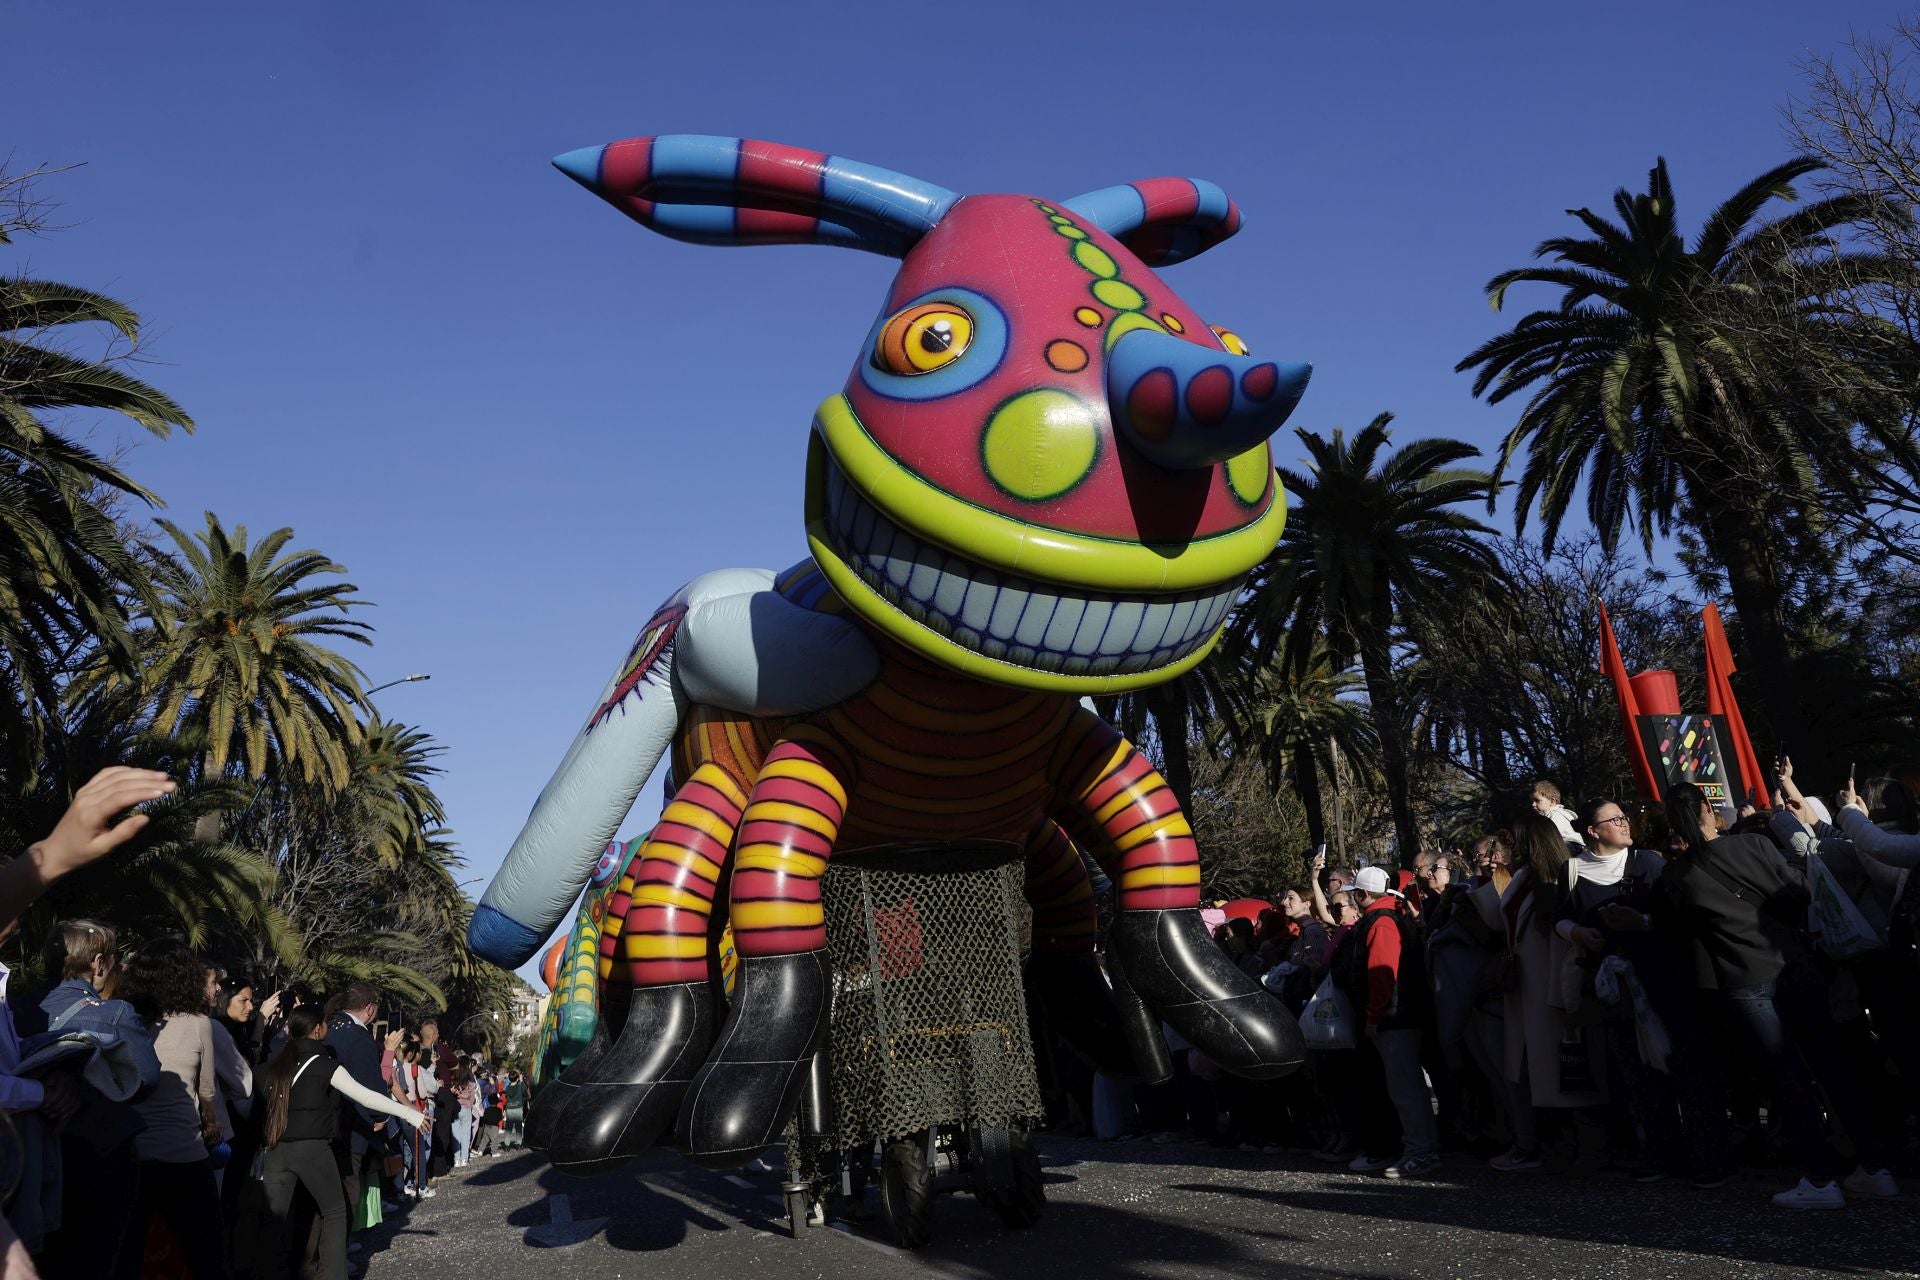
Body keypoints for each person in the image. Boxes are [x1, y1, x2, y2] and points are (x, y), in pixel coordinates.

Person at [1652, 782, 1897, 1208]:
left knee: (1789, 1078)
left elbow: (1681, 933)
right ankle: (1875, 1168)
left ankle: (1820, 1179)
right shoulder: (1754, 844)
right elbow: (1799, 890)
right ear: (1708, 807)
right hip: (1795, 962)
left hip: (1745, 977)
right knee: (1832, 1068)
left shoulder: (1677, 876)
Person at [1560, 798, 1734, 1187]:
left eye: (1625, 817)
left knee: (1686, 1067)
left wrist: (1642, 921)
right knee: (1637, 1074)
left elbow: (1678, 916)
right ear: (1593, 831)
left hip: (1664, 981)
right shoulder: (1572, 870)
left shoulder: (1648, 864)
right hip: (1616, 989)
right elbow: (1560, 916)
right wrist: (1577, 932)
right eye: (1615, 819)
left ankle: (1710, 1157)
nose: (1625, 823)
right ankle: (1661, 1153)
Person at [31, 919, 161, 1279]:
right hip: (98, 1154)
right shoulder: (115, 1013)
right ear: (99, 962)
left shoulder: (20, 1009)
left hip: (33, 1150)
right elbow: (146, 1079)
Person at [258, 1009, 429, 1280]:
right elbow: (366, 1097)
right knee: (335, 1212)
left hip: (276, 1151)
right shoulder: (325, 1064)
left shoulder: (276, 1063)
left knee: (275, 1221)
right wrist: (411, 1114)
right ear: (317, 1029)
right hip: (313, 1150)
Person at [119, 942, 230, 1279]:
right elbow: (206, 1091)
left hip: (135, 1152)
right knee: (205, 1253)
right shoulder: (198, 1023)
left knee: (132, 1254)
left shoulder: (123, 1020)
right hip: (184, 1151)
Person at [1331, 867, 1437, 1180]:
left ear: (1363, 894)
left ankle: (1421, 1152)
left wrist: (1374, 1016)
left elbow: (1382, 974)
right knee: (1409, 1087)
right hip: (1401, 1015)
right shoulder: (1391, 916)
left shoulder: (1381, 922)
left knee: (1405, 1089)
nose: (1353, 898)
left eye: (1355, 893)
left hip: (1395, 1018)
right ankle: (1422, 1148)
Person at [1530, 780, 1584, 850]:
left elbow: (1550, 837)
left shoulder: (1557, 815)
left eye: (1537, 801)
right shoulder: (1547, 816)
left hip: (1573, 847)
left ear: (1552, 801)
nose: (1533, 804)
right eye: (1532, 801)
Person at [502, 1070, 527, 1150]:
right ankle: (519, 1144)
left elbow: (506, 1094)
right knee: (518, 1127)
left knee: (508, 1128)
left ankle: (506, 1145)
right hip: (518, 1108)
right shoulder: (519, 1086)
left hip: (509, 1109)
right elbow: (525, 1089)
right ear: (517, 1079)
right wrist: (522, 1080)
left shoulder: (507, 1088)